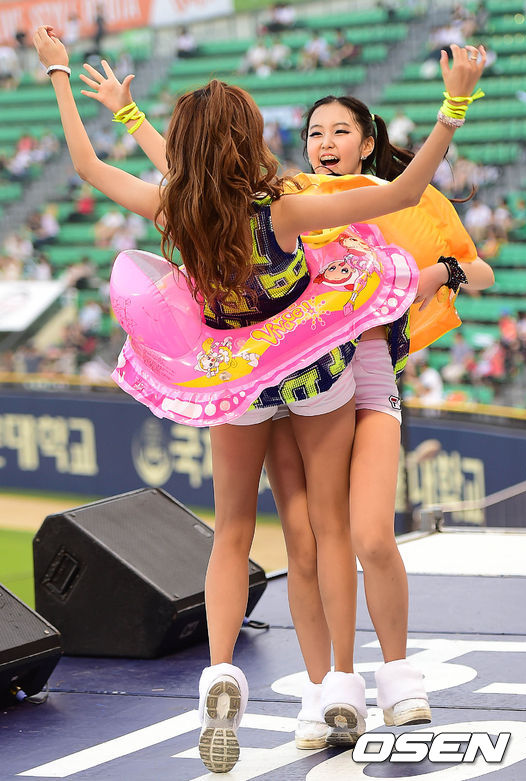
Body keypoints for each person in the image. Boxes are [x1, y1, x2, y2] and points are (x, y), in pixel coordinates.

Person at [37, 25, 486, 772]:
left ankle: (220, 673)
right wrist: (453, 108)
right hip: (312, 371)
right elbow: (404, 192)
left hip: (236, 383)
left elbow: (86, 165)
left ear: (187, 149)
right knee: (330, 527)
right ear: (250, 140)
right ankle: (340, 681)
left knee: (232, 532)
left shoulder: (175, 209)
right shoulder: (282, 211)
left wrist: (60, 72)